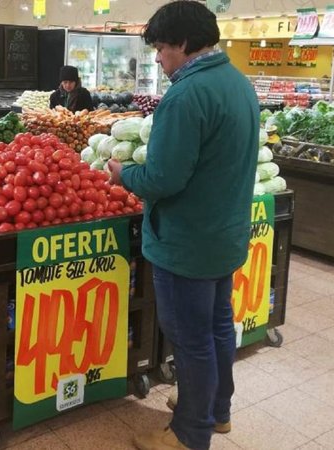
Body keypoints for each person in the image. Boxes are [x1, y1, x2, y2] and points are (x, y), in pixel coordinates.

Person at [108, 2, 259, 450]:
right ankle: (218, 412)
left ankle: (190, 434)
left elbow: (162, 179)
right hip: (223, 234)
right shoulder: (238, 83)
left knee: (191, 340)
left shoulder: (186, 94)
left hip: (186, 241)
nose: (158, 58)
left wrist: (123, 176)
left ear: (185, 45)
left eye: (161, 48)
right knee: (216, 328)